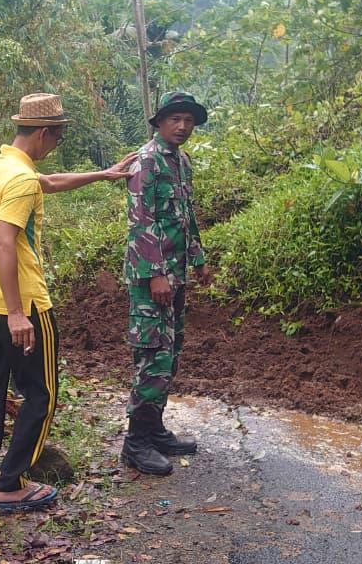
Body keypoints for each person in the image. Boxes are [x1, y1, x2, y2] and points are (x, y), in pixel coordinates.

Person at [0, 93, 135, 512]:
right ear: (43, 132)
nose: (57, 144)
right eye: (58, 137)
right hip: (22, 305)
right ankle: (11, 484)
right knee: (41, 395)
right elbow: (4, 243)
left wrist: (104, 174)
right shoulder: (21, 179)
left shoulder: (3, 165)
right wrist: (17, 313)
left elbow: (50, 182)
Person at [122, 91, 212, 476]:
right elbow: (141, 220)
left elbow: (185, 215)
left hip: (177, 274)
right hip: (152, 278)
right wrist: (156, 273)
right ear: (159, 122)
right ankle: (135, 443)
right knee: (153, 355)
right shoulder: (146, 161)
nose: (183, 126)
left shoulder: (180, 161)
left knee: (170, 355)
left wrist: (198, 259)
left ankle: (155, 431)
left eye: (188, 120)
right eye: (175, 119)